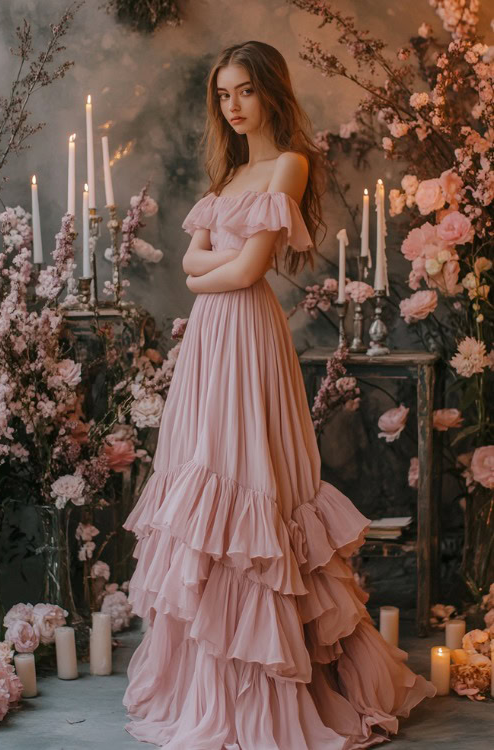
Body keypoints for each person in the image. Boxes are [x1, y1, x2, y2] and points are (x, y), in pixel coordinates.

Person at [122, 40, 436, 749]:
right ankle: (208, 679)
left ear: (270, 92)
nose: (232, 107)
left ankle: (270, 679)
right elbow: (195, 261)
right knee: (207, 477)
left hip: (248, 340)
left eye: (244, 92)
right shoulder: (230, 173)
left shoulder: (287, 165)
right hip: (209, 342)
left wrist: (214, 269)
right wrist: (214, 270)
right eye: (223, 95)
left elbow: (245, 269)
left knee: (254, 479)